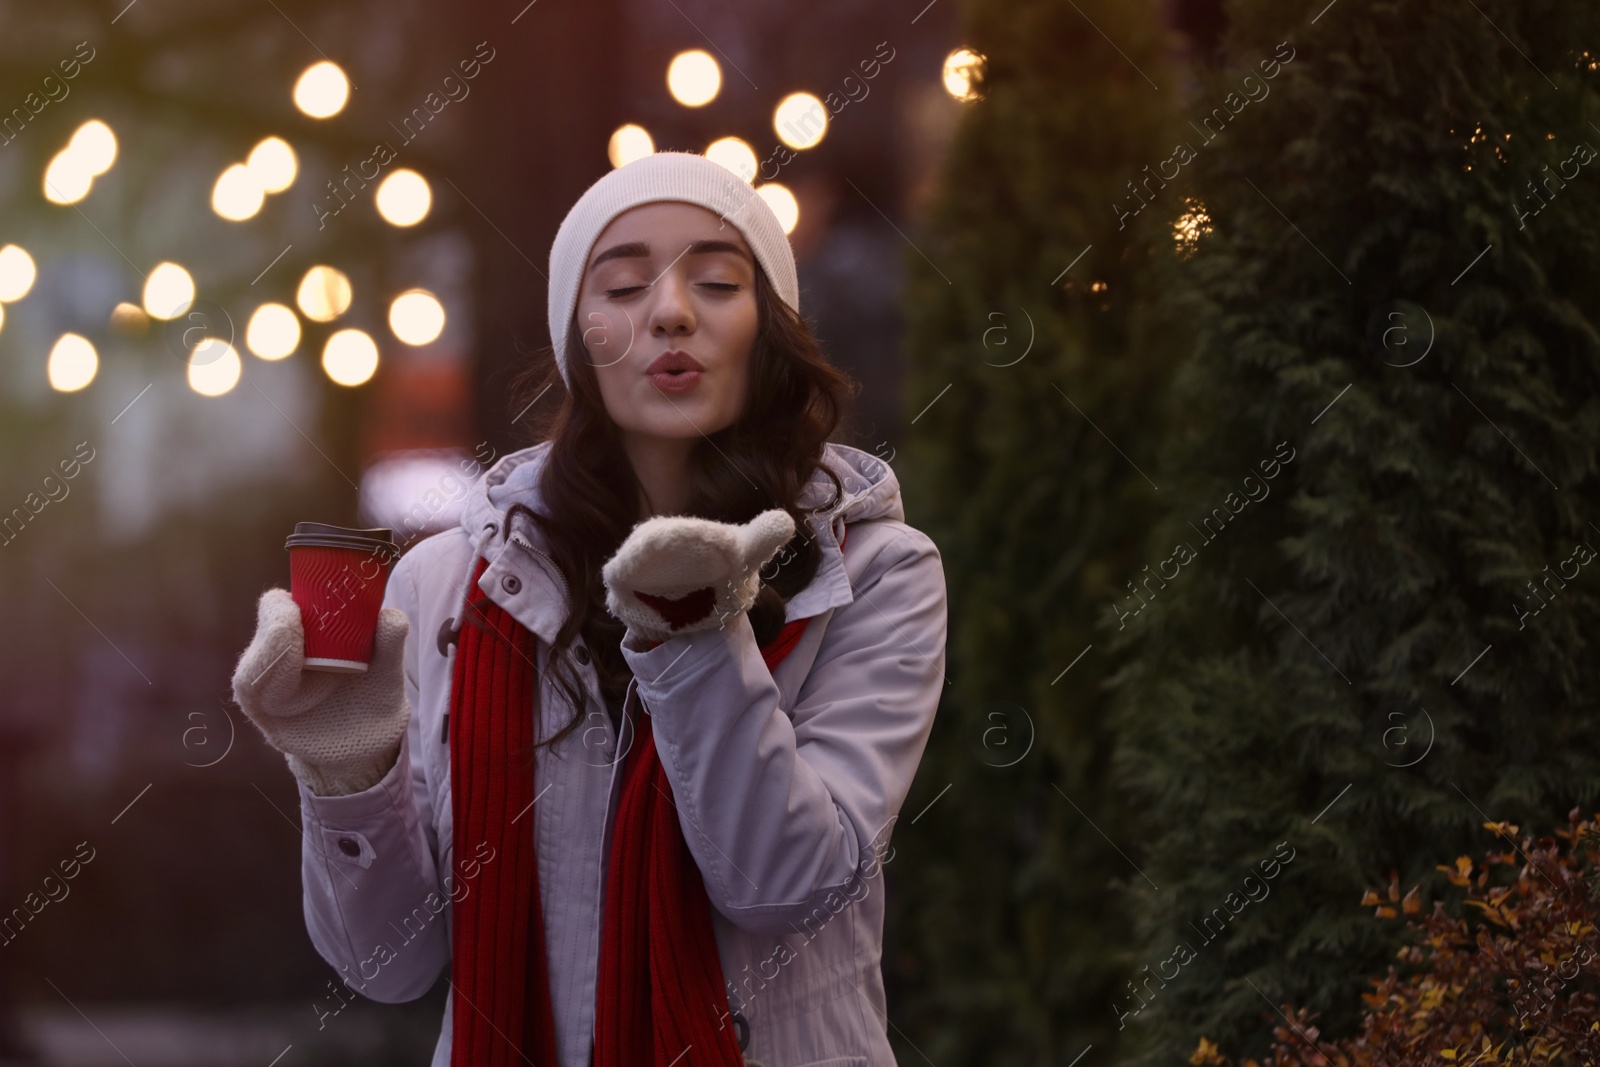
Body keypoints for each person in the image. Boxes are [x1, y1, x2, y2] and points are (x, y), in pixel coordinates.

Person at [231, 151, 947, 1067]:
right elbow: (388, 964)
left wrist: (697, 638)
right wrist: (346, 765)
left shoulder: (872, 573)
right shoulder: (449, 583)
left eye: (719, 281)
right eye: (621, 285)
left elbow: (780, 884)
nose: (671, 311)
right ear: (578, 336)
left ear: (769, 326)